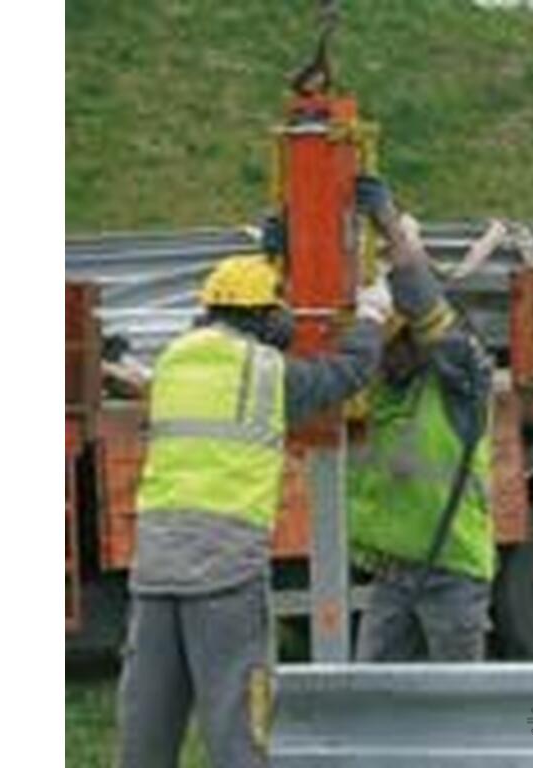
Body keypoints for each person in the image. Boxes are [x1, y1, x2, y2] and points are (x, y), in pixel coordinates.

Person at [117, 181, 396, 768]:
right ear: (267, 321)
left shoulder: (174, 361)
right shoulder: (267, 372)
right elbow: (345, 374)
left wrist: (275, 249)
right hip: (224, 574)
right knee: (236, 726)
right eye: (280, 311)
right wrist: (371, 316)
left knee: (147, 730)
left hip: (154, 571)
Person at [348, 183, 499, 663]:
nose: (384, 359)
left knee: (455, 700)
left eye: (393, 346)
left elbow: (424, 303)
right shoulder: (382, 390)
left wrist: (390, 225)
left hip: (452, 572)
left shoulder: (462, 378)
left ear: (415, 339)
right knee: (372, 695)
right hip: (393, 573)